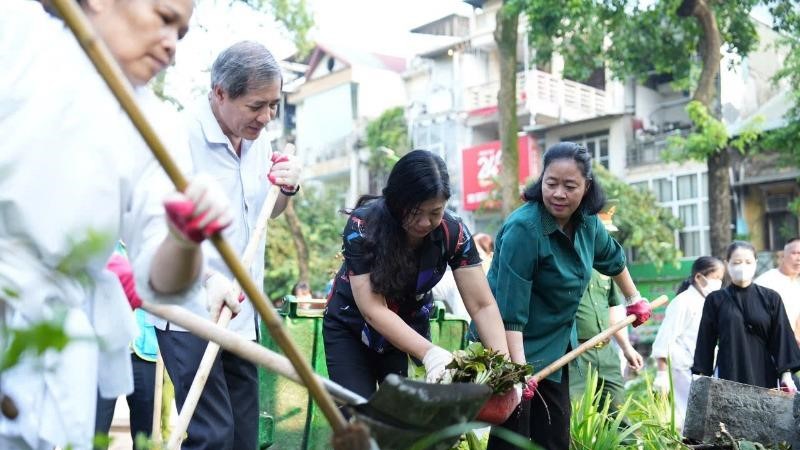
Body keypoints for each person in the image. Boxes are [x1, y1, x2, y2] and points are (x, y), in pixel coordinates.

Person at [0, 1, 235, 449]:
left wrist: (184, 240)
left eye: (182, 34)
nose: (171, 45)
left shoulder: (156, 127)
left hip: (53, 344)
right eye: (165, 18)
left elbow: (161, 284)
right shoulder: (15, 33)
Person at [151, 41, 303, 450]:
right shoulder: (179, 137)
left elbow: (267, 212)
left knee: (243, 437)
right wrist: (208, 277)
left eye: (274, 105)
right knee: (211, 435)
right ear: (220, 93)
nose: (267, 117)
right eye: (257, 106)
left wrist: (286, 187)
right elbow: (160, 225)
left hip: (242, 311)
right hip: (190, 309)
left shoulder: (260, 141)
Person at [486, 142, 651, 450]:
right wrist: (518, 371)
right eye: (551, 183)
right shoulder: (524, 229)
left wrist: (634, 298)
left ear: (586, 187)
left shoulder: (588, 223)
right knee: (513, 436)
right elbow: (511, 312)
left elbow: (613, 259)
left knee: (554, 433)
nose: (559, 193)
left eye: (569, 186)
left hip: (555, 346)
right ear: (541, 180)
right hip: (510, 344)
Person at [323, 150, 512, 402]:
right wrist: (430, 353)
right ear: (396, 200)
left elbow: (482, 305)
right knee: (357, 420)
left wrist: (505, 370)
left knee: (411, 421)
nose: (424, 222)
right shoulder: (363, 226)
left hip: (409, 333)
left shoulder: (453, 233)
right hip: (352, 329)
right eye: (414, 212)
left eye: (435, 212)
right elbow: (373, 309)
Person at [692, 241, 800, 391]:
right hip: (729, 373)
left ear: (755, 263)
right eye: (737, 262)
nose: (742, 266)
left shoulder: (771, 298)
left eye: (748, 262)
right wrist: (700, 376)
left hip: (764, 374)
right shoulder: (715, 300)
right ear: (727, 263)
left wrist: (786, 375)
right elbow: (706, 341)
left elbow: (782, 338)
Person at [568, 202, 644, 411]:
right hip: (575, 354)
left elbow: (613, 309)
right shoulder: (566, 266)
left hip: (606, 352)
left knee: (618, 414)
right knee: (576, 417)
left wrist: (627, 348)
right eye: (602, 236)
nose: (606, 242)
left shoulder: (610, 268)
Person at [650, 256, 724, 427]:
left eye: (721, 279)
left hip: (701, 369)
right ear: (699, 277)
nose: (718, 282)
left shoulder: (707, 302)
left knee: (699, 418)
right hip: (681, 368)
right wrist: (662, 374)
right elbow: (664, 339)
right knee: (683, 418)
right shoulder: (682, 302)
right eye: (715, 278)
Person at [755, 238, 800, 345]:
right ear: (782, 256)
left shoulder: (797, 283)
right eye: (794, 253)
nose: (799, 258)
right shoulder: (765, 282)